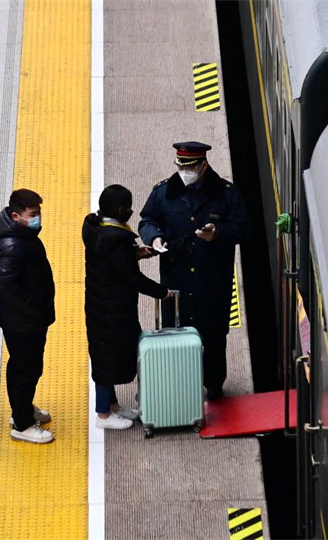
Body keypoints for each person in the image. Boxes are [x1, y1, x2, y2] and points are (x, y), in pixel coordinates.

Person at [138, 142, 249, 400]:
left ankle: (214, 386)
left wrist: (218, 234)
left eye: (190, 167)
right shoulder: (163, 193)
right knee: (175, 334)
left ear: (203, 165)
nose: (184, 172)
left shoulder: (226, 194)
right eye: (180, 167)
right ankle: (179, 388)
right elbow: (148, 219)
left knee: (213, 336)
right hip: (176, 280)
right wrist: (154, 237)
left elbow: (243, 228)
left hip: (212, 280)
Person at [83, 184, 169, 429]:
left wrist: (134, 254)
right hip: (112, 309)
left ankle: (112, 405)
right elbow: (133, 278)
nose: (131, 211)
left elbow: (111, 261)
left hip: (101, 304)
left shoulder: (95, 228)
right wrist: (162, 292)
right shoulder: (116, 240)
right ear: (121, 210)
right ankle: (102, 414)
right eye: (129, 207)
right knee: (106, 360)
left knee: (105, 354)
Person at [0, 189, 55, 444]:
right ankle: (22, 423)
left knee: (25, 367)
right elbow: (7, 288)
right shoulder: (13, 245)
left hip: (26, 319)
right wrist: (35, 309)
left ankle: (23, 409)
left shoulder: (21, 235)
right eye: (33, 214)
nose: (38, 218)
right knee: (25, 369)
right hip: (23, 322)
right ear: (16, 216)